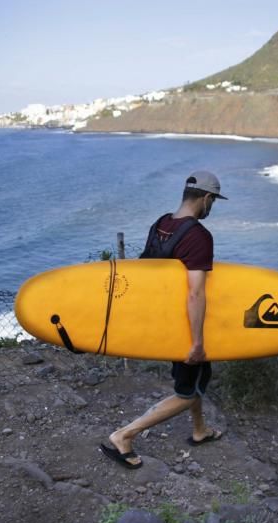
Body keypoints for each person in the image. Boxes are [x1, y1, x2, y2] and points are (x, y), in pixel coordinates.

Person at [100, 170, 228, 469]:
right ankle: (124, 435)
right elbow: (195, 293)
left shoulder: (161, 224)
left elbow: (147, 271)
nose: (212, 207)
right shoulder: (199, 236)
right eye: (213, 202)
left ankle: (200, 431)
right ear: (207, 199)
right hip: (184, 326)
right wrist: (197, 342)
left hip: (161, 322)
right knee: (188, 391)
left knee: (195, 380)